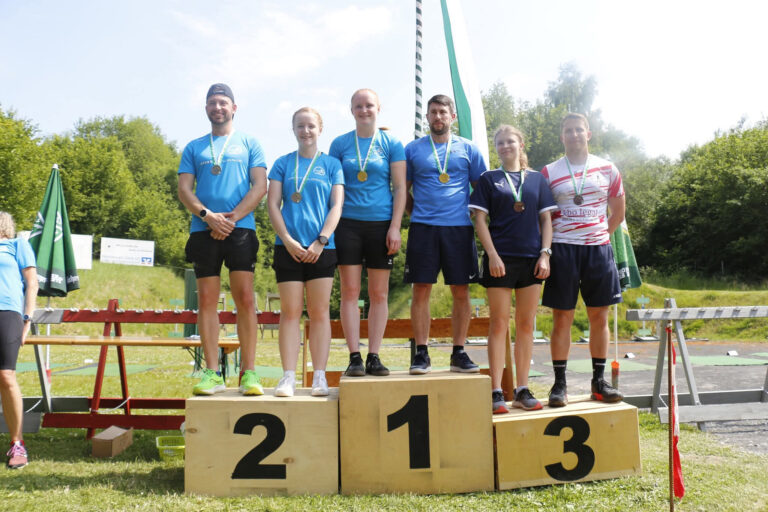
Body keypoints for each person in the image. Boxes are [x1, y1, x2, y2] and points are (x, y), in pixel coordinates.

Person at [178, 83, 267, 396]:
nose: (218, 108)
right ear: (206, 108)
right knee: (206, 301)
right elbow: (184, 190)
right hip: (203, 230)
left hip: (240, 229)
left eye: (223, 102)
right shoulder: (194, 147)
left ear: (234, 108)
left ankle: (249, 373)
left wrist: (230, 219)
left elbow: (260, 186)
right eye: (212, 103)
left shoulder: (250, 143)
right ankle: (212, 373)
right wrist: (207, 216)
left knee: (245, 299)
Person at [470, 126, 557, 414]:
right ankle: (496, 391)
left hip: (532, 260)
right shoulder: (489, 179)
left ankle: (522, 389)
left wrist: (545, 255)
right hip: (500, 260)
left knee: (526, 325)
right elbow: (479, 220)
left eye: (510, 141)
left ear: (521, 144)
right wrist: (492, 255)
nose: (505, 146)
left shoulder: (537, 179)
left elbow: (546, 220)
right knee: (498, 324)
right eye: (500, 142)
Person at [541, 113, 626, 407]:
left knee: (599, 317)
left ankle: (599, 382)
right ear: (562, 136)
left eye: (579, 130)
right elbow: (544, 216)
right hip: (562, 249)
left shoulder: (608, 169)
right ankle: (559, 384)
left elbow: (618, 213)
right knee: (562, 317)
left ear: (588, 134)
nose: (574, 134)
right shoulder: (549, 172)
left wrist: (598, 236)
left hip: (597, 250)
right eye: (569, 130)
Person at [404, 94, 487, 374]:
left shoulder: (469, 149)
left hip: (459, 229)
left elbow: (482, 190)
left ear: (452, 116)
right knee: (421, 289)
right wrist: (416, 213)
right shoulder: (412, 149)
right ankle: (422, 353)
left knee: (461, 291)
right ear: (427, 117)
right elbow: (403, 189)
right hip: (423, 228)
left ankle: (458, 352)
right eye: (433, 112)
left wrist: (469, 214)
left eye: (442, 112)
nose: (437, 117)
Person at [267, 107, 344, 397]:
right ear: (294, 129)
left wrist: (321, 241)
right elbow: (273, 204)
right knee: (290, 312)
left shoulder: (332, 165)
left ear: (320, 129)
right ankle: (288, 377)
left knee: (319, 312)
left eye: (311, 126)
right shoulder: (282, 163)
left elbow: (336, 206)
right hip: (288, 248)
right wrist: (287, 239)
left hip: (322, 249)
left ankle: (319, 377)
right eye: (300, 126)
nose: (306, 131)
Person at [329, 89, 406, 377]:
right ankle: (354, 357)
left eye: (369, 105)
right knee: (350, 292)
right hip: (347, 224)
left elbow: (400, 188)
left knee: (379, 293)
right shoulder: (340, 144)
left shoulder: (391, 143)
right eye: (358, 106)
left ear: (378, 108)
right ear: (352, 110)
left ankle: (374, 355)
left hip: (381, 224)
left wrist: (395, 226)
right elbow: (333, 188)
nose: (364, 110)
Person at [0, 212, 38, 469]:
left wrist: (27, 319)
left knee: (6, 376)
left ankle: (17, 443)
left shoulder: (16, 245)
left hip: (8, 312)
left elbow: (32, 283)